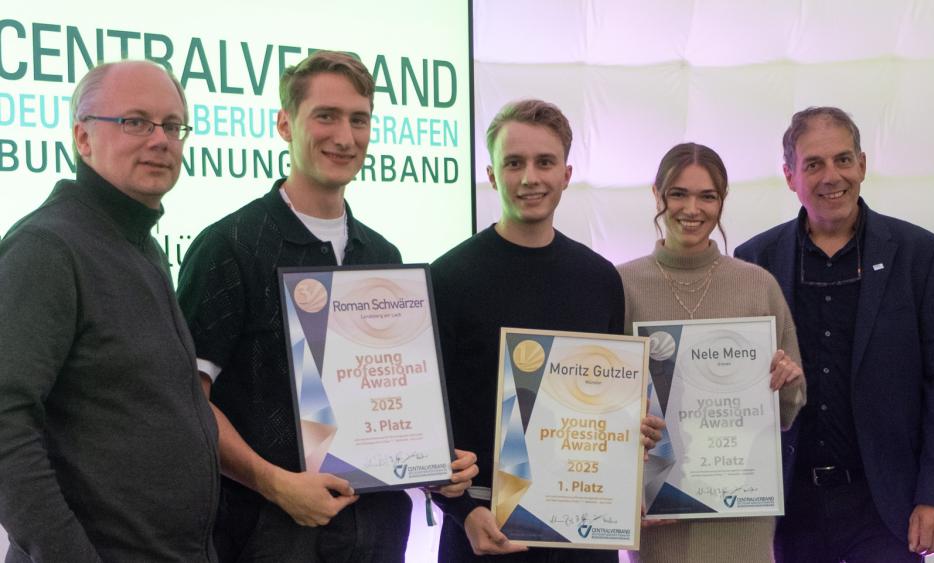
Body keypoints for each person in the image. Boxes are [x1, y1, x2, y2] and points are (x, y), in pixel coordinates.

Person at [177, 51, 477, 562]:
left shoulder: (382, 256)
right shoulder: (230, 245)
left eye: (359, 119)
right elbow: (188, 400)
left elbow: (389, 396)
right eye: (326, 116)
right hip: (268, 534)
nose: (345, 136)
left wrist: (431, 463)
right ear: (285, 124)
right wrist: (275, 484)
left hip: (378, 531)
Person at [0, 60, 219, 561]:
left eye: (172, 125)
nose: (160, 140)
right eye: (135, 122)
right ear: (83, 138)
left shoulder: (140, 245)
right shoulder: (47, 247)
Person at [430, 98, 664, 562]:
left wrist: (632, 430)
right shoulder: (448, 278)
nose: (529, 177)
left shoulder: (599, 279)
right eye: (514, 163)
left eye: (544, 162)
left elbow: (605, 400)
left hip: (583, 536)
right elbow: (430, 422)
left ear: (566, 174)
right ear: (492, 174)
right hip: (484, 532)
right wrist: (461, 512)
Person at [735, 106, 934, 561]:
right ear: (790, 176)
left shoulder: (919, 254)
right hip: (788, 508)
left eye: (843, 159)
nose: (832, 176)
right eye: (813, 164)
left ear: (862, 164)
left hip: (886, 507)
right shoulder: (755, 260)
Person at [617, 142, 805, 563]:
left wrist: (788, 381)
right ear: (657, 195)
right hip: (658, 519)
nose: (692, 209)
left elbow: (787, 411)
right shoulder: (622, 286)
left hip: (742, 518)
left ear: (722, 200)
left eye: (707, 196)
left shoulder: (757, 285)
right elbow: (603, 411)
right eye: (678, 194)